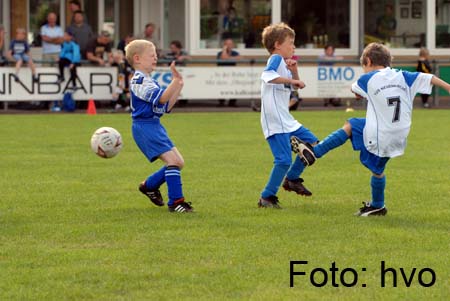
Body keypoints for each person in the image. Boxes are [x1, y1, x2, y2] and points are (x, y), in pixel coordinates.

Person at [291, 42, 450, 216]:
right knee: (375, 165)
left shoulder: (366, 79)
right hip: (399, 136)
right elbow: (430, 78)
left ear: (367, 61)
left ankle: (315, 152)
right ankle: (378, 205)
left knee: (352, 128)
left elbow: (355, 90)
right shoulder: (403, 75)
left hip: (380, 135)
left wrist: (359, 93)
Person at [124, 39, 193, 213]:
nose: (155, 58)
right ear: (138, 58)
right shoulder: (138, 81)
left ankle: (149, 186)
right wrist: (173, 82)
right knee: (173, 162)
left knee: (179, 162)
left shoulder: (149, 80)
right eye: (152, 55)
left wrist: (178, 85)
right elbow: (161, 98)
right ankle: (176, 202)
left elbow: (166, 106)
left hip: (154, 125)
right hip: (145, 127)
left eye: (156, 55)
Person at [258, 22, 320, 209]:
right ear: (277, 45)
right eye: (290, 43)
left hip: (285, 119)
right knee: (283, 160)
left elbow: (293, 86)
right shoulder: (275, 59)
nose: (293, 47)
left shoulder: (283, 63)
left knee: (314, 144)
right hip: (274, 119)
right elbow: (267, 76)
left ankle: (292, 179)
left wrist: (293, 72)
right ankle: (267, 197)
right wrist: (292, 78)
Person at [216, 38, 240, 107]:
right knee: (221, 87)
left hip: (233, 75)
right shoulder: (220, 53)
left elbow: (239, 58)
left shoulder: (235, 53)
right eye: (227, 44)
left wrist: (228, 58)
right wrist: (224, 50)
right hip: (222, 75)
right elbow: (223, 58)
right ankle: (221, 102)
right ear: (224, 45)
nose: (229, 45)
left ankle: (232, 102)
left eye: (230, 44)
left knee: (235, 86)